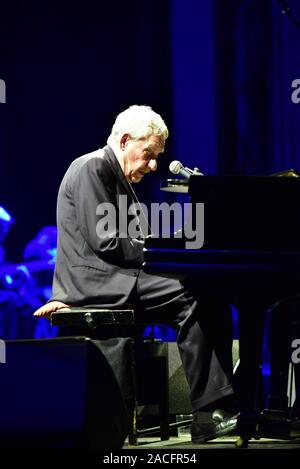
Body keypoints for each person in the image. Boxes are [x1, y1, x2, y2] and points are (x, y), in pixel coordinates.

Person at [34, 105, 237, 443]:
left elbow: (132, 238)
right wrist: (162, 252)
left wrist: (170, 249)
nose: (154, 165)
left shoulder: (114, 174)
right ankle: (209, 410)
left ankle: (218, 406)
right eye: (149, 154)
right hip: (99, 281)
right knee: (191, 295)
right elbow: (107, 240)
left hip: (116, 275)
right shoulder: (92, 167)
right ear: (126, 140)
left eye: (157, 156)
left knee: (207, 289)